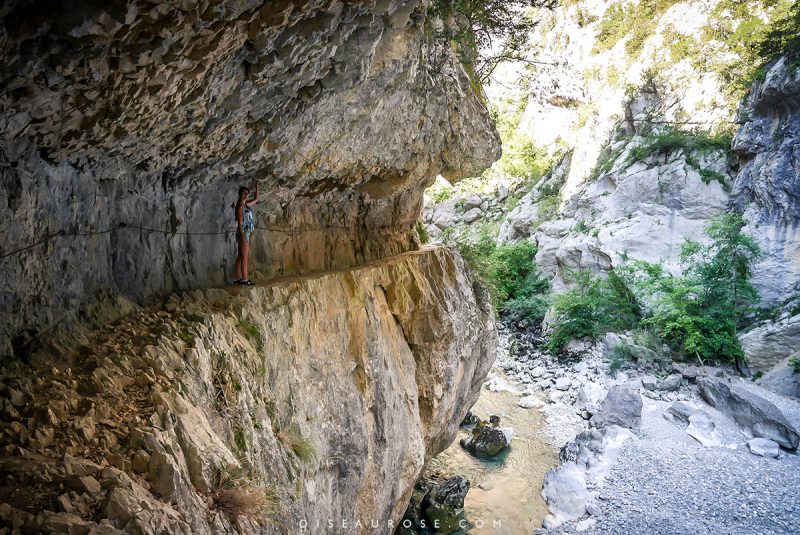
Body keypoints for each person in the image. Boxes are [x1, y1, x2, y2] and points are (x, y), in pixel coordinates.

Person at [234, 181, 260, 285]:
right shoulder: (240, 205)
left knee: (241, 256)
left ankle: (236, 278)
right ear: (240, 194)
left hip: (246, 231)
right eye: (244, 193)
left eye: (247, 193)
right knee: (244, 256)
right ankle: (245, 279)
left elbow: (256, 199)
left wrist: (257, 188)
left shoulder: (245, 204)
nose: (246, 195)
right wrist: (243, 237)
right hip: (243, 231)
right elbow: (240, 222)